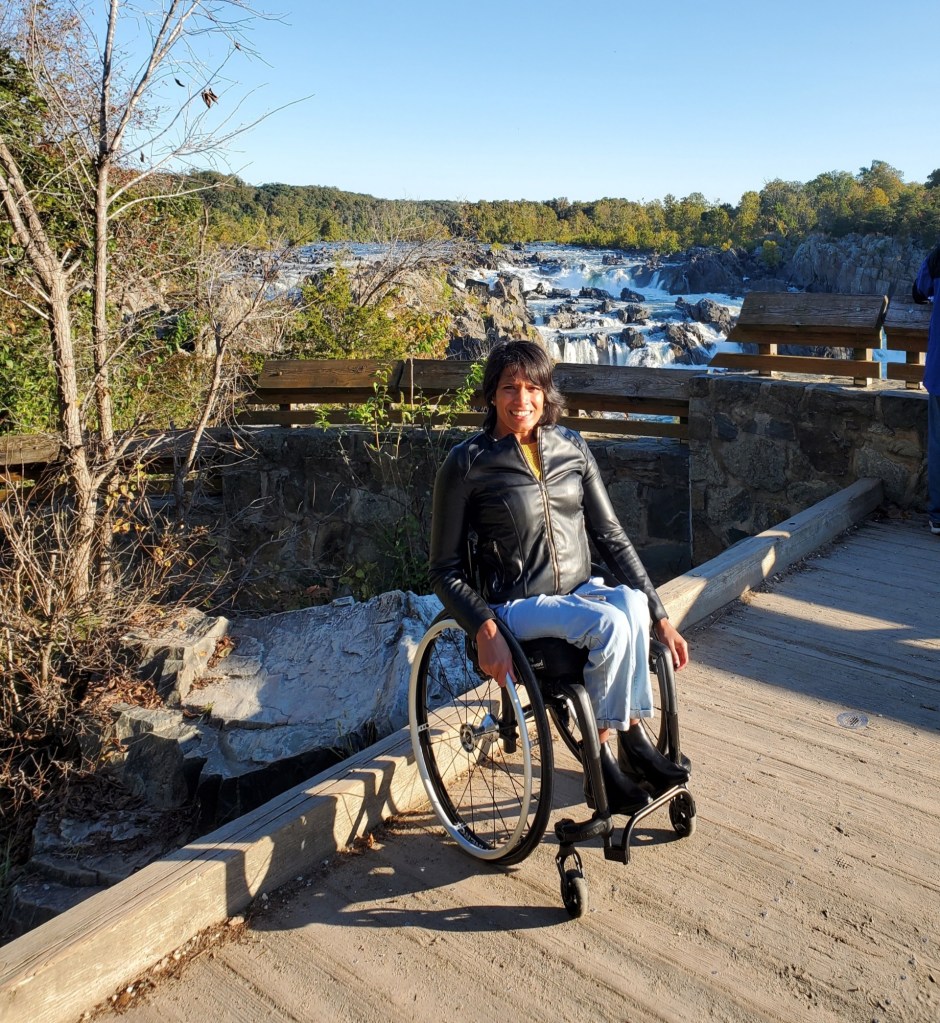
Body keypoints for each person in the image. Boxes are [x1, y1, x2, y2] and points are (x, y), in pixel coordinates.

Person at [428, 340, 690, 817]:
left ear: (547, 393)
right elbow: (444, 570)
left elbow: (611, 535)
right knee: (609, 625)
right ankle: (604, 761)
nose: (522, 399)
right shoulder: (468, 464)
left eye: (533, 387)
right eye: (510, 387)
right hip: (515, 606)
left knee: (629, 605)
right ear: (491, 394)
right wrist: (485, 628)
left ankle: (631, 738)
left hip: (578, 593)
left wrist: (661, 616)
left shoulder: (571, 447)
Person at [912, 244, 940, 535]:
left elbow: (919, 291)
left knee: (938, 442)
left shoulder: (936, 256)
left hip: (939, 369)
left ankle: (938, 515)